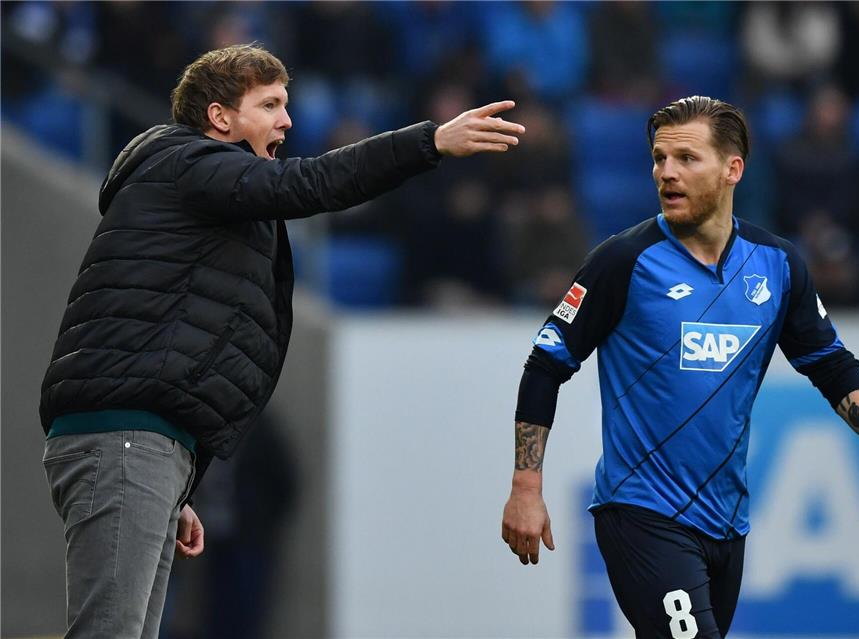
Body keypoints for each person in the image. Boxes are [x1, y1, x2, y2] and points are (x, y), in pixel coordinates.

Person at [39, 43, 524, 638]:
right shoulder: (189, 162)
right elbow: (313, 184)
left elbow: (175, 344)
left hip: (145, 447)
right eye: (269, 105)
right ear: (220, 118)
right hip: (128, 441)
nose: (287, 121)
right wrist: (430, 142)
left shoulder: (197, 188)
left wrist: (178, 481)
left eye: (286, 104)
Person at [500, 96, 859, 638]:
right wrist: (526, 486)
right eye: (659, 158)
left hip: (726, 523)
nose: (666, 172)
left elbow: (831, 364)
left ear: (732, 169)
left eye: (686, 158)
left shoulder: (777, 265)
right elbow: (545, 364)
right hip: (642, 514)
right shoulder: (623, 261)